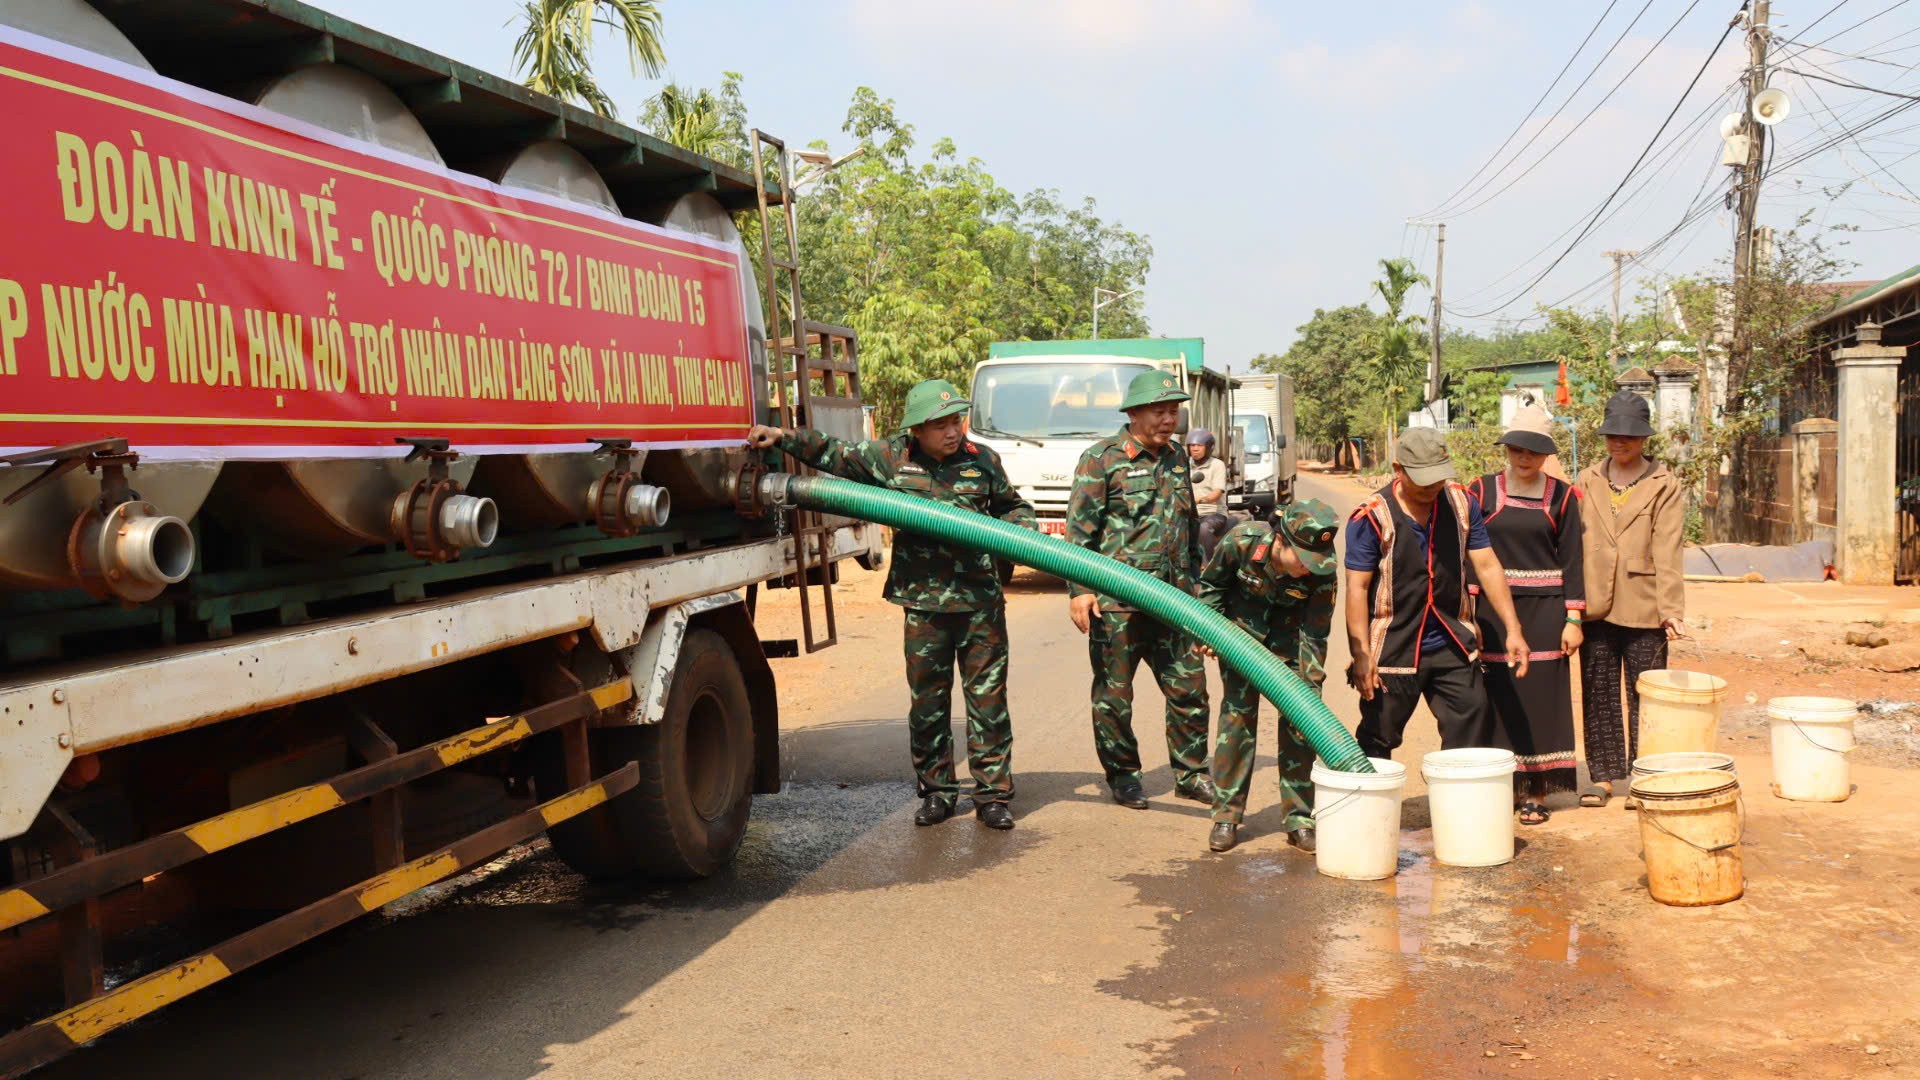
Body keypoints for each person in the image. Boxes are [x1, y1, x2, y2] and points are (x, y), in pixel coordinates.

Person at [746, 379, 1036, 830]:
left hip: (980, 602)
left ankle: (993, 795)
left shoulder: (983, 461)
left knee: (988, 702)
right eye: (940, 425)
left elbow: (1014, 508)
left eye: (956, 421)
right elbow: (833, 454)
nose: (953, 432)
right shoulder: (890, 458)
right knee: (928, 705)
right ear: (917, 430)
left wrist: (1022, 530)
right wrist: (784, 437)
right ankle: (937, 792)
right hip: (923, 604)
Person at [1065, 369, 1215, 810]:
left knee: (1189, 691)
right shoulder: (1102, 458)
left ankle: (1191, 773)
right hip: (1117, 603)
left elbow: (1189, 529)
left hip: (1174, 599)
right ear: (1133, 413)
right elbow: (1080, 532)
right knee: (1114, 697)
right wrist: (1079, 589)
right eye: (1160, 411)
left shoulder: (1176, 458)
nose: (1170, 420)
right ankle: (1124, 776)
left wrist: (1197, 590)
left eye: (1174, 411)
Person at [1343, 427, 1531, 760]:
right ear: (1398, 470)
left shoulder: (1461, 502)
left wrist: (1513, 629)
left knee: (1471, 726)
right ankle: (1372, 810)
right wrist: (1361, 655)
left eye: (1438, 478)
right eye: (1423, 479)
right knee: (1378, 736)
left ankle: (1455, 809)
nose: (1433, 487)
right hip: (1394, 647)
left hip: (1452, 641)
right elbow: (1357, 588)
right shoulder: (1372, 516)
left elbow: (1487, 566)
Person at [1195, 499, 1341, 854]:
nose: (1309, 570)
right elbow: (1211, 588)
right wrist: (1208, 632)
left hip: (1291, 647)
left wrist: (1310, 683)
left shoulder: (1322, 569)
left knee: (1300, 727)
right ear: (1280, 541)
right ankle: (1226, 816)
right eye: (1303, 561)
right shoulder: (1241, 542)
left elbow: (1315, 632)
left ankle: (1299, 819)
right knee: (1237, 723)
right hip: (1240, 642)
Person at [1465, 405, 1585, 825]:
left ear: (1546, 454)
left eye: (1532, 452)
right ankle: (1504, 785)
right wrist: (1471, 611)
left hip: (1547, 611)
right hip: (1494, 613)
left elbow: (1573, 559)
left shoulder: (1565, 497)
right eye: (1516, 450)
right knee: (1498, 697)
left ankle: (1537, 790)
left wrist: (1573, 618)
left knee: (1541, 699)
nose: (1523, 459)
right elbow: (1469, 557)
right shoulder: (1480, 492)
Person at [1575, 391, 1687, 807]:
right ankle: (1603, 778)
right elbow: (1574, 541)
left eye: (1629, 435)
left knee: (1645, 695)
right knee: (1597, 689)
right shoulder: (1587, 479)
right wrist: (1569, 604)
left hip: (1644, 603)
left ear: (1643, 439)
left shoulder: (1664, 484)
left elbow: (1669, 550)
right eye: (1612, 434)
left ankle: (1644, 778)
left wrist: (1671, 610)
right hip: (1593, 603)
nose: (1619, 441)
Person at [1187, 429, 1232, 552]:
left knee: (1203, 529)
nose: (1195, 449)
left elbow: (1216, 493)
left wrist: (1200, 500)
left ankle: (1206, 564)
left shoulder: (1217, 465)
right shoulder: (1184, 464)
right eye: (1192, 445)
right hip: (1189, 513)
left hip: (1213, 514)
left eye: (1199, 445)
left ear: (1208, 448)